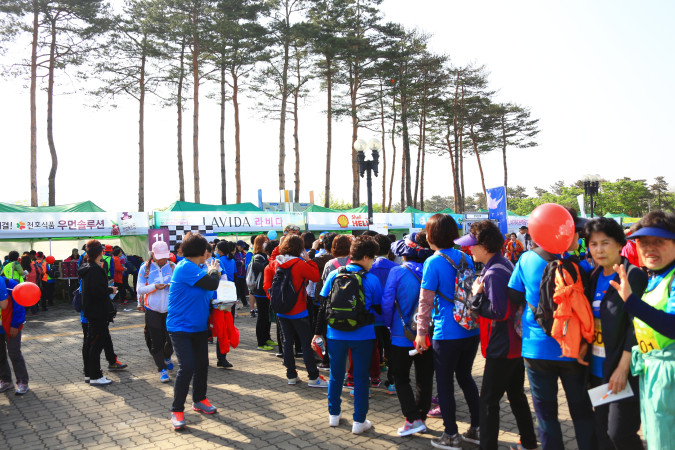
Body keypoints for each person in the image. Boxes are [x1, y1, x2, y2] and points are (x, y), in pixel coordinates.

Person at [508, 217, 596, 450]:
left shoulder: (526, 259)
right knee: (581, 410)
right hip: (573, 347)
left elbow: (514, 295)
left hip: (536, 348)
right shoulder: (580, 265)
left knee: (546, 413)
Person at [461, 221, 537, 450]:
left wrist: (477, 296)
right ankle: (529, 442)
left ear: (485, 246)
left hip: (502, 345)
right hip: (513, 343)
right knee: (516, 395)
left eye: (472, 245)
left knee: (488, 401)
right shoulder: (501, 263)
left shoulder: (494, 272)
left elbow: (499, 311)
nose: (469, 249)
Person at [414, 214, 481, 450]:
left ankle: (451, 434)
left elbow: (425, 301)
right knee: (465, 377)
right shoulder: (465, 257)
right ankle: (477, 428)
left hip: (446, 332)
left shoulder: (433, 262)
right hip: (470, 329)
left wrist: (421, 332)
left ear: (431, 235)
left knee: (444, 383)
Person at [609, 210, 675, 449]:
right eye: (643, 242)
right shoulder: (656, 277)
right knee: (656, 437)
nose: (650, 249)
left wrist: (631, 301)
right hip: (652, 371)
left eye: (659, 241)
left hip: (669, 374)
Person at [583, 217, 647, 450]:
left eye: (605, 243)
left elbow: (636, 325)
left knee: (620, 433)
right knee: (603, 433)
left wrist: (622, 369)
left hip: (622, 371)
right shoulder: (593, 276)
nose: (599, 250)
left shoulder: (632, 275)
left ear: (619, 244)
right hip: (597, 370)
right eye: (593, 244)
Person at [315, 235, 383, 434]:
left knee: (336, 376)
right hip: (363, 335)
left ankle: (334, 416)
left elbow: (322, 306)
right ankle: (359, 422)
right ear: (366, 257)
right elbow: (378, 307)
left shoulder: (334, 274)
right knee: (361, 378)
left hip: (335, 334)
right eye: (373, 258)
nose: (373, 262)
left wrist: (317, 333)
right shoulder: (372, 279)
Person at [166, 233, 221, 430]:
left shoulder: (198, 269)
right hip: (180, 327)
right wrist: (214, 271)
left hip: (198, 326)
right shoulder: (185, 267)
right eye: (207, 249)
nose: (209, 253)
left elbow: (208, 292)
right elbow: (212, 283)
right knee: (187, 367)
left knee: (202, 365)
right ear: (200, 251)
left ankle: (199, 400)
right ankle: (177, 410)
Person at [382, 232, 435, 437]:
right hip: (429, 333)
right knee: (425, 378)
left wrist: (388, 326)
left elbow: (387, 303)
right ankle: (421, 417)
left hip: (401, 334)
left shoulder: (397, 272)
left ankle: (412, 419)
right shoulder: (433, 269)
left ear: (404, 254)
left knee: (401, 377)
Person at [270, 235, 326, 388]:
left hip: (281, 309)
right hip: (298, 310)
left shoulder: (277, 262)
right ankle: (313, 377)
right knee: (306, 343)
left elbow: (271, 263)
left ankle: (291, 375)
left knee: (287, 342)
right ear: (300, 248)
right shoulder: (299, 264)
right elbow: (315, 276)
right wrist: (308, 260)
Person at [79, 240, 123, 387]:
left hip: (91, 311)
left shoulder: (87, 267)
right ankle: (95, 376)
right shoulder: (95, 270)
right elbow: (97, 291)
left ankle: (89, 374)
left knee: (90, 343)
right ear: (100, 252)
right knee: (96, 345)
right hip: (98, 312)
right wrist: (111, 289)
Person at [137, 241, 176, 383]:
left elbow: (179, 286)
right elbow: (140, 289)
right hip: (152, 309)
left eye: (164, 256)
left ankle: (167, 356)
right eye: (159, 257)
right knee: (157, 341)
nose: (162, 260)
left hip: (170, 310)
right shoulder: (145, 268)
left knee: (171, 340)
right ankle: (162, 369)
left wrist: (170, 285)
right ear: (152, 254)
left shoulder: (172, 266)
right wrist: (154, 286)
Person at [368, 233, 399, 393]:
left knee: (372, 347)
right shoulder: (396, 268)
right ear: (389, 250)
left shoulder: (368, 268)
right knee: (391, 347)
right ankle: (393, 381)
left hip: (371, 316)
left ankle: (373, 377)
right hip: (391, 316)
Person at [0, 273, 29, 395]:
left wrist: (15, 324)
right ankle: (6, 380)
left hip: (11, 326)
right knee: (0, 355)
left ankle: (23, 382)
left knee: (14, 353)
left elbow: (19, 306)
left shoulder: (10, 284)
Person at [250, 235, 275, 350]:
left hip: (267, 290)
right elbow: (262, 268)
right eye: (265, 242)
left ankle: (267, 337)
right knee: (262, 317)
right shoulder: (258, 257)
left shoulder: (265, 256)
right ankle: (261, 342)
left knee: (267, 316)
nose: (267, 243)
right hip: (260, 291)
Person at [234, 240, 249, 308]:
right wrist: (241, 262)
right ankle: (235, 304)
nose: (242, 248)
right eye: (241, 247)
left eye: (243, 247)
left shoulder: (243, 253)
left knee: (242, 290)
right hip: (237, 275)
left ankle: (245, 303)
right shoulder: (234, 254)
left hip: (243, 274)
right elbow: (236, 263)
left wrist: (242, 261)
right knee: (236, 290)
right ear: (237, 246)